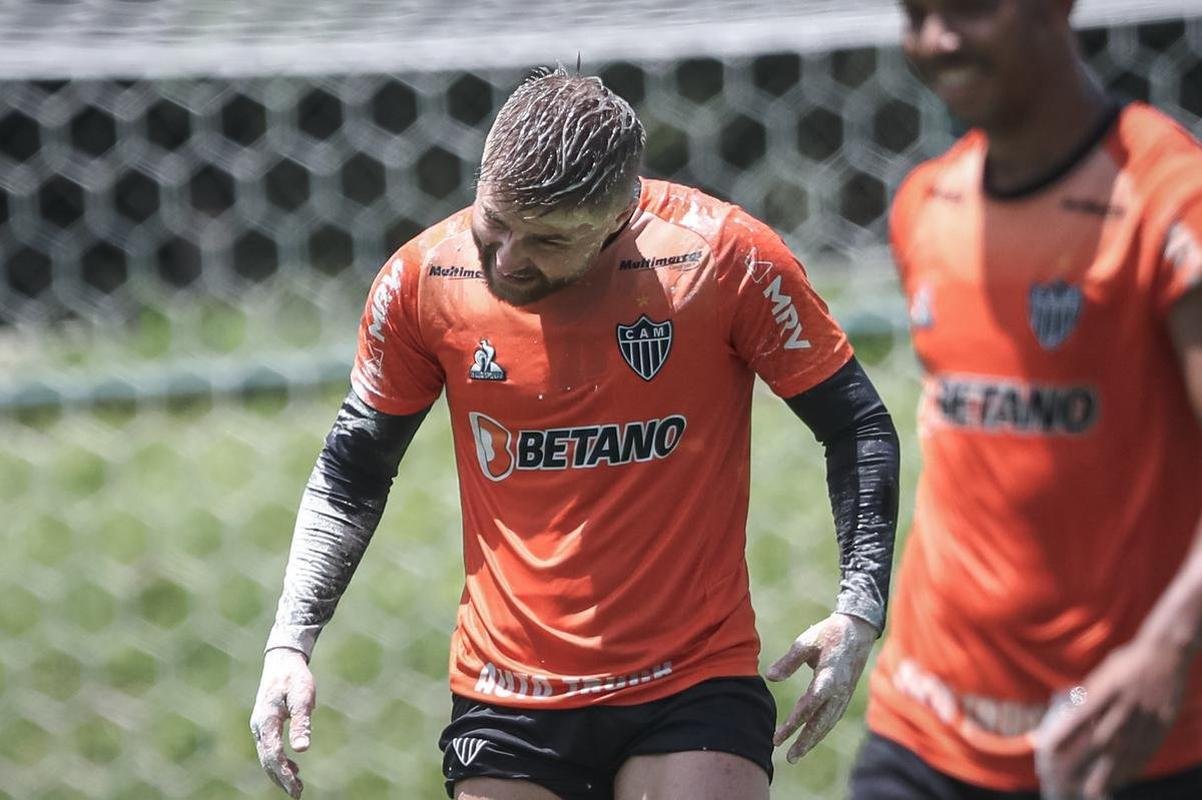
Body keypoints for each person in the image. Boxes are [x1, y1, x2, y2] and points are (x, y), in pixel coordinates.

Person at [249, 68, 900, 800]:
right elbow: (352, 472)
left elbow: (858, 426)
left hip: (693, 679)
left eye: (547, 241)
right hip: (507, 692)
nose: (506, 259)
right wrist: (290, 643)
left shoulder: (723, 257)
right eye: (494, 222)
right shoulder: (422, 279)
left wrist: (859, 608)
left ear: (620, 218)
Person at [850, 1, 1202, 799]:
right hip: (925, 726)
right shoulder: (923, 204)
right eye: (916, 14)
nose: (938, 39)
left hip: (1120, 735)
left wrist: (1168, 649)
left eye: (969, 8)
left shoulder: (1166, 196)